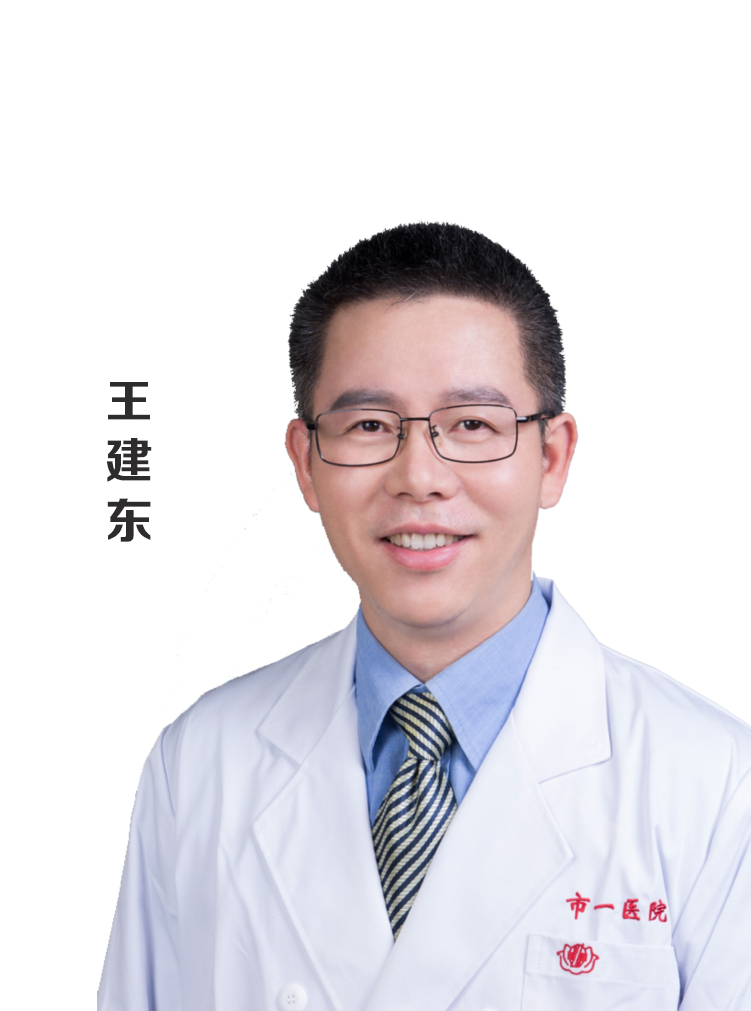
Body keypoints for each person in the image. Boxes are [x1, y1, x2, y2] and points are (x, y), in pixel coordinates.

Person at [99, 223, 751, 1011]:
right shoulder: (202, 762)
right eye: (369, 426)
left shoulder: (715, 784)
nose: (419, 476)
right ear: (306, 463)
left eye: (471, 424)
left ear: (551, 458)